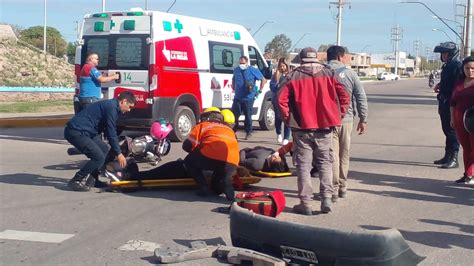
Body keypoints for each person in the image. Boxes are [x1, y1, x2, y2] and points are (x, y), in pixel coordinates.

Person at [277, 47, 349, 215]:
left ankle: (306, 204)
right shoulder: (329, 74)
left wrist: (289, 119)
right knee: (325, 163)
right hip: (325, 128)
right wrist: (337, 115)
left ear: (301, 60)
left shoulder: (293, 76)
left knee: (304, 166)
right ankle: (326, 198)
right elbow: (344, 96)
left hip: (301, 128)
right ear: (316, 58)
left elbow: (281, 100)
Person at [64, 91, 136, 191]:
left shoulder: (113, 107)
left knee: (104, 149)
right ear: (124, 101)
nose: (129, 110)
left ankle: (93, 179)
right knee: (98, 157)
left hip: (88, 132)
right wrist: (119, 153)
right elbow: (111, 132)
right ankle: (76, 180)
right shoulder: (111, 107)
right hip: (76, 132)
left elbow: (109, 130)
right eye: (130, 106)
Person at [326, 45, 368, 201]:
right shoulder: (350, 74)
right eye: (345, 56)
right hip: (347, 120)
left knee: (332, 156)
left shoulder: (322, 73)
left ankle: (333, 189)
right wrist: (363, 119)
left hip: (327, 121)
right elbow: (360, 97)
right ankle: (343, 187)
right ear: (339, 57)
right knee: (344, 154)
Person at [182, 109, 239, 201]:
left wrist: (196, 151)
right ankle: (227, 186)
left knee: (189, 161)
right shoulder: (229, 129)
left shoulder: (202, 126)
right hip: (233, 161)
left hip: (211, 157)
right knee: (217, 186)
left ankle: (203, 187)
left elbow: (187, 145)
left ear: (206, 117)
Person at [432, 42, 462, 169]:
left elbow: (457, 84)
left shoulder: (457, 65)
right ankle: (447, 155)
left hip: (451, 102)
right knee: (446, 130)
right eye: (442, 53)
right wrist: (440, 86)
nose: (443, 55)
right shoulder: (448, 65)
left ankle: (454, 158)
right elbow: (447, 82)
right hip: (444, 101)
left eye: (445, 53)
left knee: (451, 131)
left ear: (451, 53)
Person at [450, 56, 474, 184]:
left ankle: (472, 174)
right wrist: (452, 118)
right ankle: (468, 174)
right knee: (466, 148)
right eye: (467, 68)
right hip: (460, 120)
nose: (470, 71)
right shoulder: (459, 83)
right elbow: (452, 102)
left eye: (473, 68)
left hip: (473, 121)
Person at [232, 56, 267, 140]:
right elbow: (233, 79)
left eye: (243, 63)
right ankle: (233, 132)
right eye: (240, 63)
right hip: (238, 97)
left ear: (247, 63)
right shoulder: (236, 70)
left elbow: (263, 79)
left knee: (248, 116)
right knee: (234, 116)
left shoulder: (252, 70)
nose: (241, 65)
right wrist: (234, 88)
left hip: (248, 97)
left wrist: (260, 91)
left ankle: (248, 132)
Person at [270, 58, 291, 145]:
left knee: (287, 119)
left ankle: (286, 137)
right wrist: (277, 86)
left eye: (284, 66)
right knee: (278, 119)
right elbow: (272, 86)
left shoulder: (290, 75)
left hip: (288, 101)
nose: (282, 68)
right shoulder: (276, 75)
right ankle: (279, 133)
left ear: (287, 66)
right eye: (281, 66)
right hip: (277, 100)